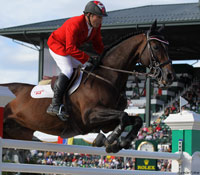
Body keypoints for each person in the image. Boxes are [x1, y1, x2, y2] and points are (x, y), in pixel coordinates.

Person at [46, 1, 107, 120]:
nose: (100, 20)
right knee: (68, 69)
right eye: (98, 17)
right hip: (57, 46)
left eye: (101, 17)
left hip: (70, 49)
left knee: (87, 67)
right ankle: (55, 104)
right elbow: (70, 48)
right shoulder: (74, 23)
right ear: (88, 15)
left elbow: (98, 44)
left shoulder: (95, 26)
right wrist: (88, 58)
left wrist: (104, 56)